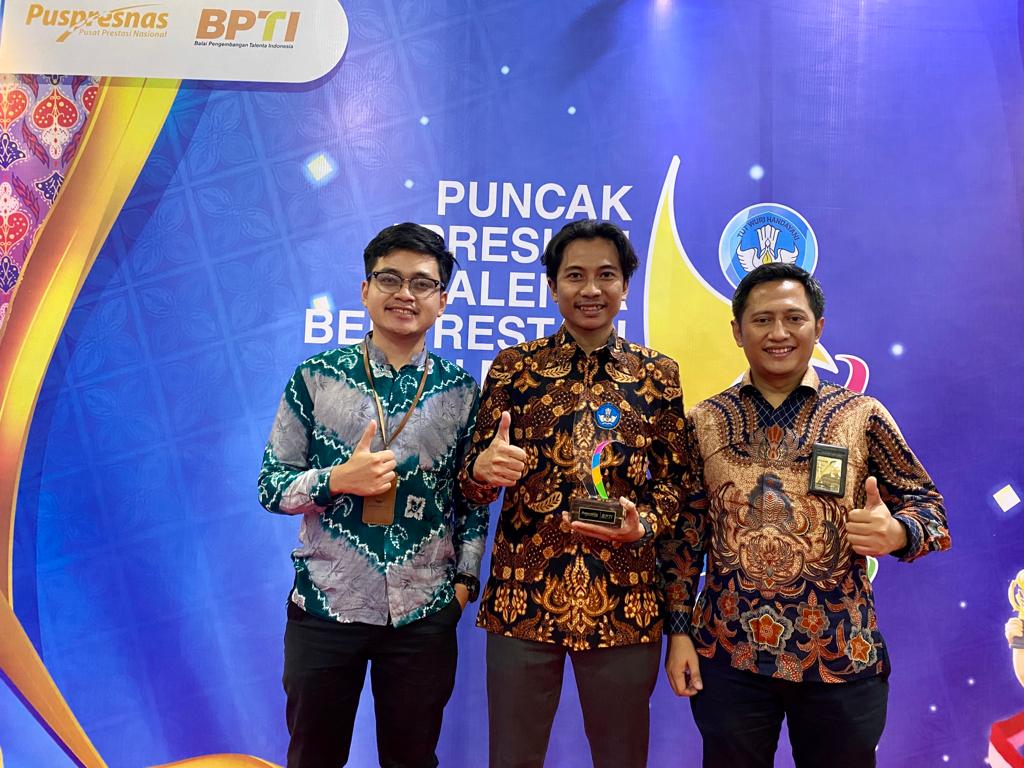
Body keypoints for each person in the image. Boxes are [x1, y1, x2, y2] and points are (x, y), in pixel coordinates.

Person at [661, 262, 950, 768]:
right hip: (729, 656)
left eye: (794, 318)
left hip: (840, 654)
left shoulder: (861, 416)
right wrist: (679, 632)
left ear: (818, 327)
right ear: (737, 331)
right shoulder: (704, 422)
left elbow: (931, 511)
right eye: (762, 320)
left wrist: (898, 532)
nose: (779, 333)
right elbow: (684, 536)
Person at [459, 219, 688, 768]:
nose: (591, 289)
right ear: (552, 285)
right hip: (523, 596)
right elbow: (470, 484)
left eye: (606, 275)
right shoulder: (513, 368)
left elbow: (677, 486)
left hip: (625, 596)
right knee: (512, 757)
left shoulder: (658, 375)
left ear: (625, 285)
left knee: (621, 757)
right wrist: (482, 470)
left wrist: (644, 524)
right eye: (575, 275)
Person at [257, 223, 488, 768]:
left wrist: (463, 584)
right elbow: (271, 486)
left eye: (422, 283)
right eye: (389, 279)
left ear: (442, 300)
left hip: (423, 612)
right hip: (326, 604)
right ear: (365, 290)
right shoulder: (316, 378)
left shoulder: (461, 392)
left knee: (413, 760)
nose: (405, 294)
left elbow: (472, 500)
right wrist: (335, 479)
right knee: (313, 757)